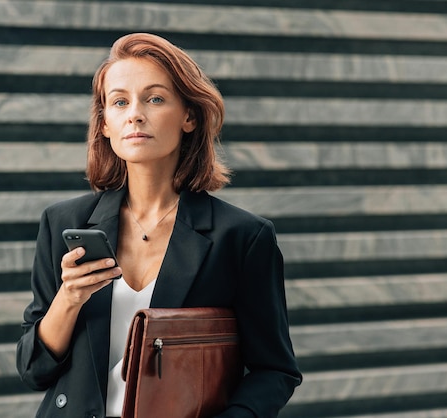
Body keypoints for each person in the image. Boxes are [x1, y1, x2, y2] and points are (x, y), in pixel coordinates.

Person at [16, 32, 302, 418]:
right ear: (104, 124)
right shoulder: (64, 223)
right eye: (119, 102)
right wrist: (69, 297)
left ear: (188, 116)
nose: (134, 113)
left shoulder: (242, 237)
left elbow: (275, 370)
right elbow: (34, 369)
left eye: (154, 98)